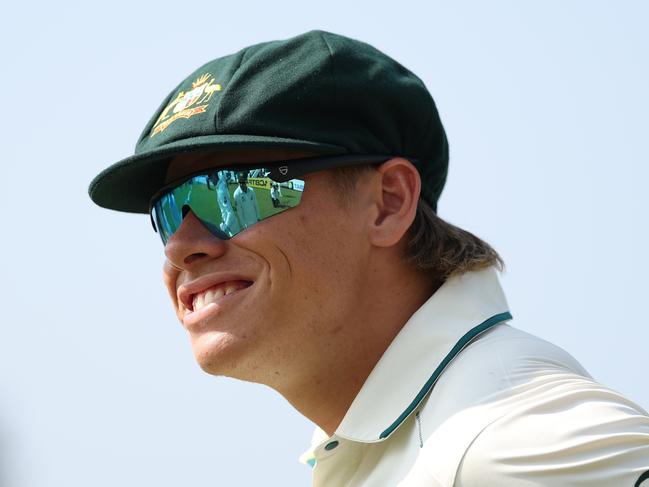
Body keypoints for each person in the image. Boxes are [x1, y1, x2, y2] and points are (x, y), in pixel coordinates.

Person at [88, 30, 649, 486]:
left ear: (387, 203)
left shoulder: (507, 440)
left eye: (235, 191)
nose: (184, 244)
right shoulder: (398, 446)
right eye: (170, 210)